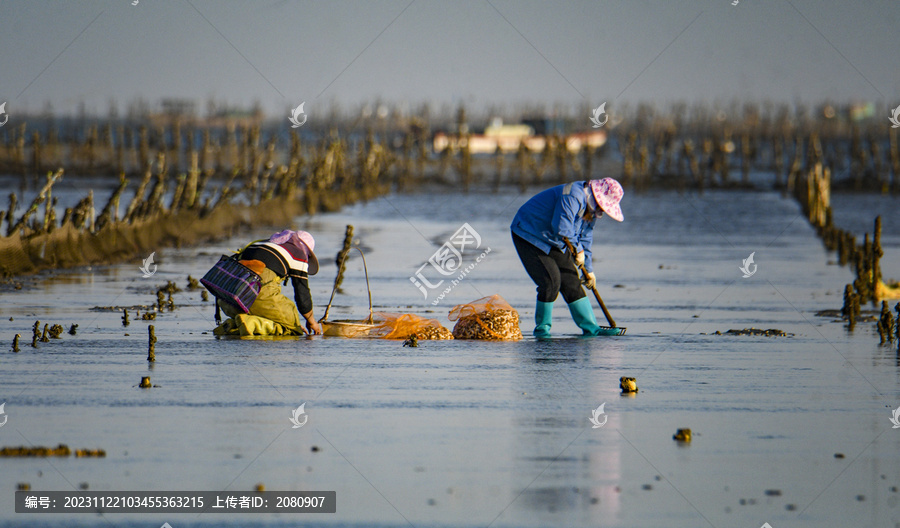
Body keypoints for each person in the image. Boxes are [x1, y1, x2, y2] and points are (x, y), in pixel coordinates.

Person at [510, 178, 624, 337]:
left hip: (556, 240)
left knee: (572, 280)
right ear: (597, 198)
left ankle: (591, 328)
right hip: (529, 233)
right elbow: (561, 228)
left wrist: (589, 270)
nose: (603, 211)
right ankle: (542, 329)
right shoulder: (572, 195)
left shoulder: (591, 210)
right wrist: (578, 251)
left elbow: (585, 237)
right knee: (551, 281)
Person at [221, 229, 322, 335]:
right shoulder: (298, 253)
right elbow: (303, 295)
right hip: (256, 295)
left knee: (260, 315)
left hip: (228, 300)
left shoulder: (259, 244)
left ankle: (232, 325)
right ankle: (252, 323)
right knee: (292, 324)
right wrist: (311, 322)